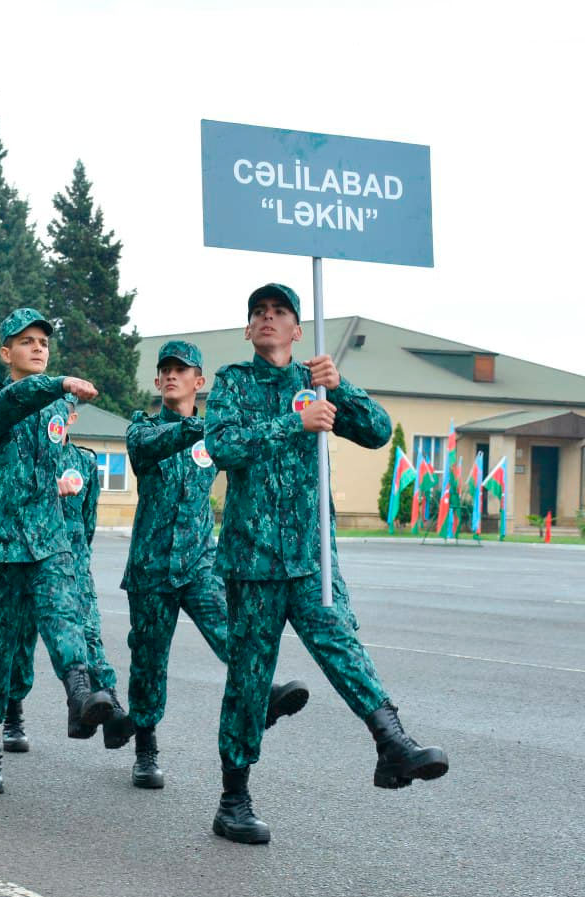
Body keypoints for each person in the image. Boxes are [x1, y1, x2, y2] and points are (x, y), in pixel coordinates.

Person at [204, 283, 448, 845]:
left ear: (297, 330)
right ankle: (233, 800)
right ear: (248, 330)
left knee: (341, 647)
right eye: (258, 313)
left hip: (310, 557)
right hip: (253, 561)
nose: (268, 319)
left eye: (279, 312)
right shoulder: (233, 382)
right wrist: (294, 423)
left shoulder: (314, 381)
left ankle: (392, 744)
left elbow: (378, 432)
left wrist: (341, 388)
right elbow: (221, 446)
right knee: (248, 681)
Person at [123, 340, 310, 791]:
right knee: (148, 661)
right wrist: (202, 428)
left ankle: (264, 697)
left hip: (199, 563)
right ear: (157, 381)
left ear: (199, 381)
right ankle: (145, 748)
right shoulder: (144, 430)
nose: (172, 375)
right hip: (151, 566)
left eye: (182, 370)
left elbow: (249, 459)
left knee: (234, 634)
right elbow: (148, 449)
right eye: (166, 370)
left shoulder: (217, 437)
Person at [0, 308, 114, 794]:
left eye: (43, 342)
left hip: (49, 541)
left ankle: (80, 695)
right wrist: (59, 384)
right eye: (26, 341)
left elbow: (48, 460)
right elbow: (13, 403)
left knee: (63, 617)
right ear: (5, 352)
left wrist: (60, 485)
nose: (37, 348)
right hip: (0, 546)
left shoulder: (56, 408)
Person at [4, 405, 133, 754]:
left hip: (73, 565)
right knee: (20, 641)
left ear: (72, 418)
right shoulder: (24, 456)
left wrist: (79, 558)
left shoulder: (85, 461)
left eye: (62, 412)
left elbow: (88, 519)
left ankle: (110, 709)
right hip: (28, 561)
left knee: (89, 634)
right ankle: (13, 717)